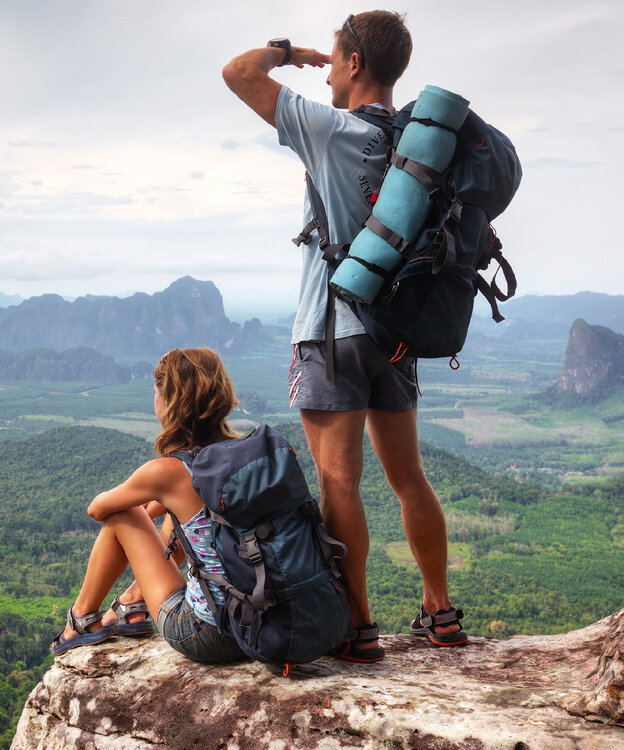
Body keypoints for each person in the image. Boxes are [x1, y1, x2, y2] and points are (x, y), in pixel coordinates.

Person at [220, 10, 466, 662]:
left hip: (330, 333)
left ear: (355, 64)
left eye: (333, 59)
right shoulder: (416, 146)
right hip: (395, 334)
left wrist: (289, 51)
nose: (325, 70)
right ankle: (440, 611)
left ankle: (357, 627)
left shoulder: (331, 130)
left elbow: (236, 73)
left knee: (339, 484)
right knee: (409, 477)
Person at [50, 347, 248, 663]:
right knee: (181, 516)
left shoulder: (167, 472)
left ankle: (80, 619)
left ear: (168, 402)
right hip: (267, 623)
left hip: (212, 635)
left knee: (123, 513)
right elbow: (189, 504)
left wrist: (144, 507)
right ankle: (132, 603)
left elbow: (98, 509)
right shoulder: (245, 454)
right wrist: (160, 504)